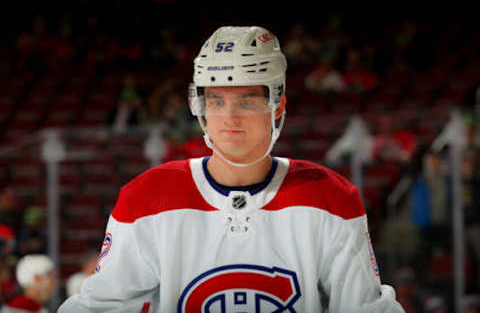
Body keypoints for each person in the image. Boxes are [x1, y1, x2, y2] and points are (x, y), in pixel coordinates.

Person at [58, 26, 405, 312]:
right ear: (200, 105)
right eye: (217, 100)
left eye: (247, 99)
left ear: (278, 104)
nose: (230, 117)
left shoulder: (329, 196)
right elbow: (100, 307)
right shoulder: (147, 197)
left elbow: (363, 308)